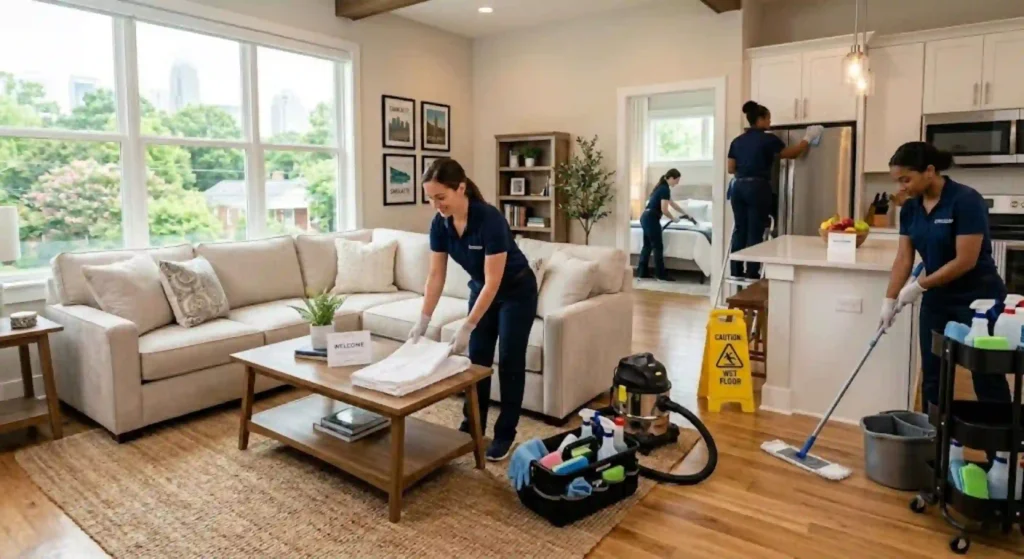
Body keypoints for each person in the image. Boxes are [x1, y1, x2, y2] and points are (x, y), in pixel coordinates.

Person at [412, 157, 538, 461]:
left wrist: (468, 325)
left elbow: (494, 281)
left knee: (509, 360)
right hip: (482, 289)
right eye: (430, 198)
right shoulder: (439, 225)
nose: (436, 205)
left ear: (461, 188)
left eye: (440, 197)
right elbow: (436, 275)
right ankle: (473, 425)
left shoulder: (489, 219)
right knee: (476, 361)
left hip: (516, 292)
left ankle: (506, 432)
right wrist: (423, 320)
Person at [879, 141, 1010, 410]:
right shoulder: (911, 209)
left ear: (929, 171)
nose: (901, 187)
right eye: (898, 181)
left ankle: (999, 450)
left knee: (986, 375)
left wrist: (918, 286)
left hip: (978, 299)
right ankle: (936, 443)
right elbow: (904, 258)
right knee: (934, 374)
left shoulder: (965, 200)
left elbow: (965, 260)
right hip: (937, 300)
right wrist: (889, 300)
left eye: (906, 179)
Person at [727, 101, 823, 279]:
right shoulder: (768, 139)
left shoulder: (737, 141)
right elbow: (791, 154)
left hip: (738, 187)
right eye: (768, 119)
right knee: (755, 229)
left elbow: (731, 168)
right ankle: (752, 272)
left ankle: (735, 271)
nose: (770, 122)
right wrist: (807, 139)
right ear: (761, 119)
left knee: (740, 229)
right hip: (757, 187)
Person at [635, 169, 695, 281]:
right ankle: (661, 275)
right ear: (671, 178)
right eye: (676, 180)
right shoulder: (664, 189)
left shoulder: (662, 188)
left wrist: (685, 213)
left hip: (645, 217)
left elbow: (672, 204)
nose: (677, 183)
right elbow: (664, 209)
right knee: (658, 247)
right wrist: (674, 218)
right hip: (651, 219)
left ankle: (642, 273)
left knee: (647, 246)